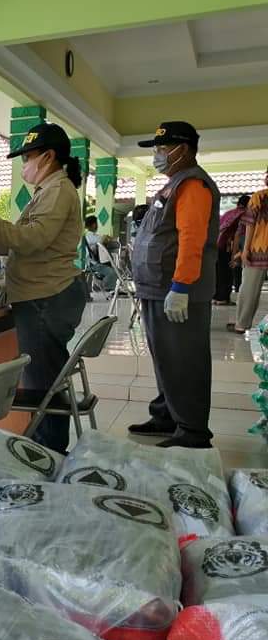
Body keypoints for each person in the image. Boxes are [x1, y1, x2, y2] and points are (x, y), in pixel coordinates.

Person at [0, 122, 87, 454]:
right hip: (44, 294)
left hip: (45, 298)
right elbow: (30, 240)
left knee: (44, 383)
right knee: (48, 376)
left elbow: (33, 239)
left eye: (27, 157)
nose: (24, 165)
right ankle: (49, 445)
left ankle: (50, 451)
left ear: (48, 157)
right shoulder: (51, 190)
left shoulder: (57, 191)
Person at [129, 121, 220, 449]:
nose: (157, 155)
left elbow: (192, 238)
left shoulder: (193, 185)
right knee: (167, 359)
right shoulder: (174, 183)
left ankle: (192, 432)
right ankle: (167, 416)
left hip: (177, 292)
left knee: (184, 360)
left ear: (184, 149)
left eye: (162, 148)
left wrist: (181, 286)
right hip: (157, 288)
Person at [231, 169, 268, 333]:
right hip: (259, 248)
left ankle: (241, 324)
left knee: (249, 290)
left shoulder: (259, 196)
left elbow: (250, 224)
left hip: (258, 250)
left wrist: (245, 250)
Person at [214, 195, 249, 305]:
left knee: (218, 272)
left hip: (216, 244)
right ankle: (223, 298)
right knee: (227, 271)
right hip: (227, 245)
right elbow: (238, 235)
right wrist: (234, 256)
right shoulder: (244, 214)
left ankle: (216, 298)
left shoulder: (229, 212)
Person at [84, 215, 118, 292]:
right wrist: (106, 237)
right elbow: (102, 240)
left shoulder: (90, 236)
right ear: (94, 224)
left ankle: (100, 284)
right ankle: (105, 287)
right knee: (113, 272)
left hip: (94, 262)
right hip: (92, 264)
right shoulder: (90, 236)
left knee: (114, 269)